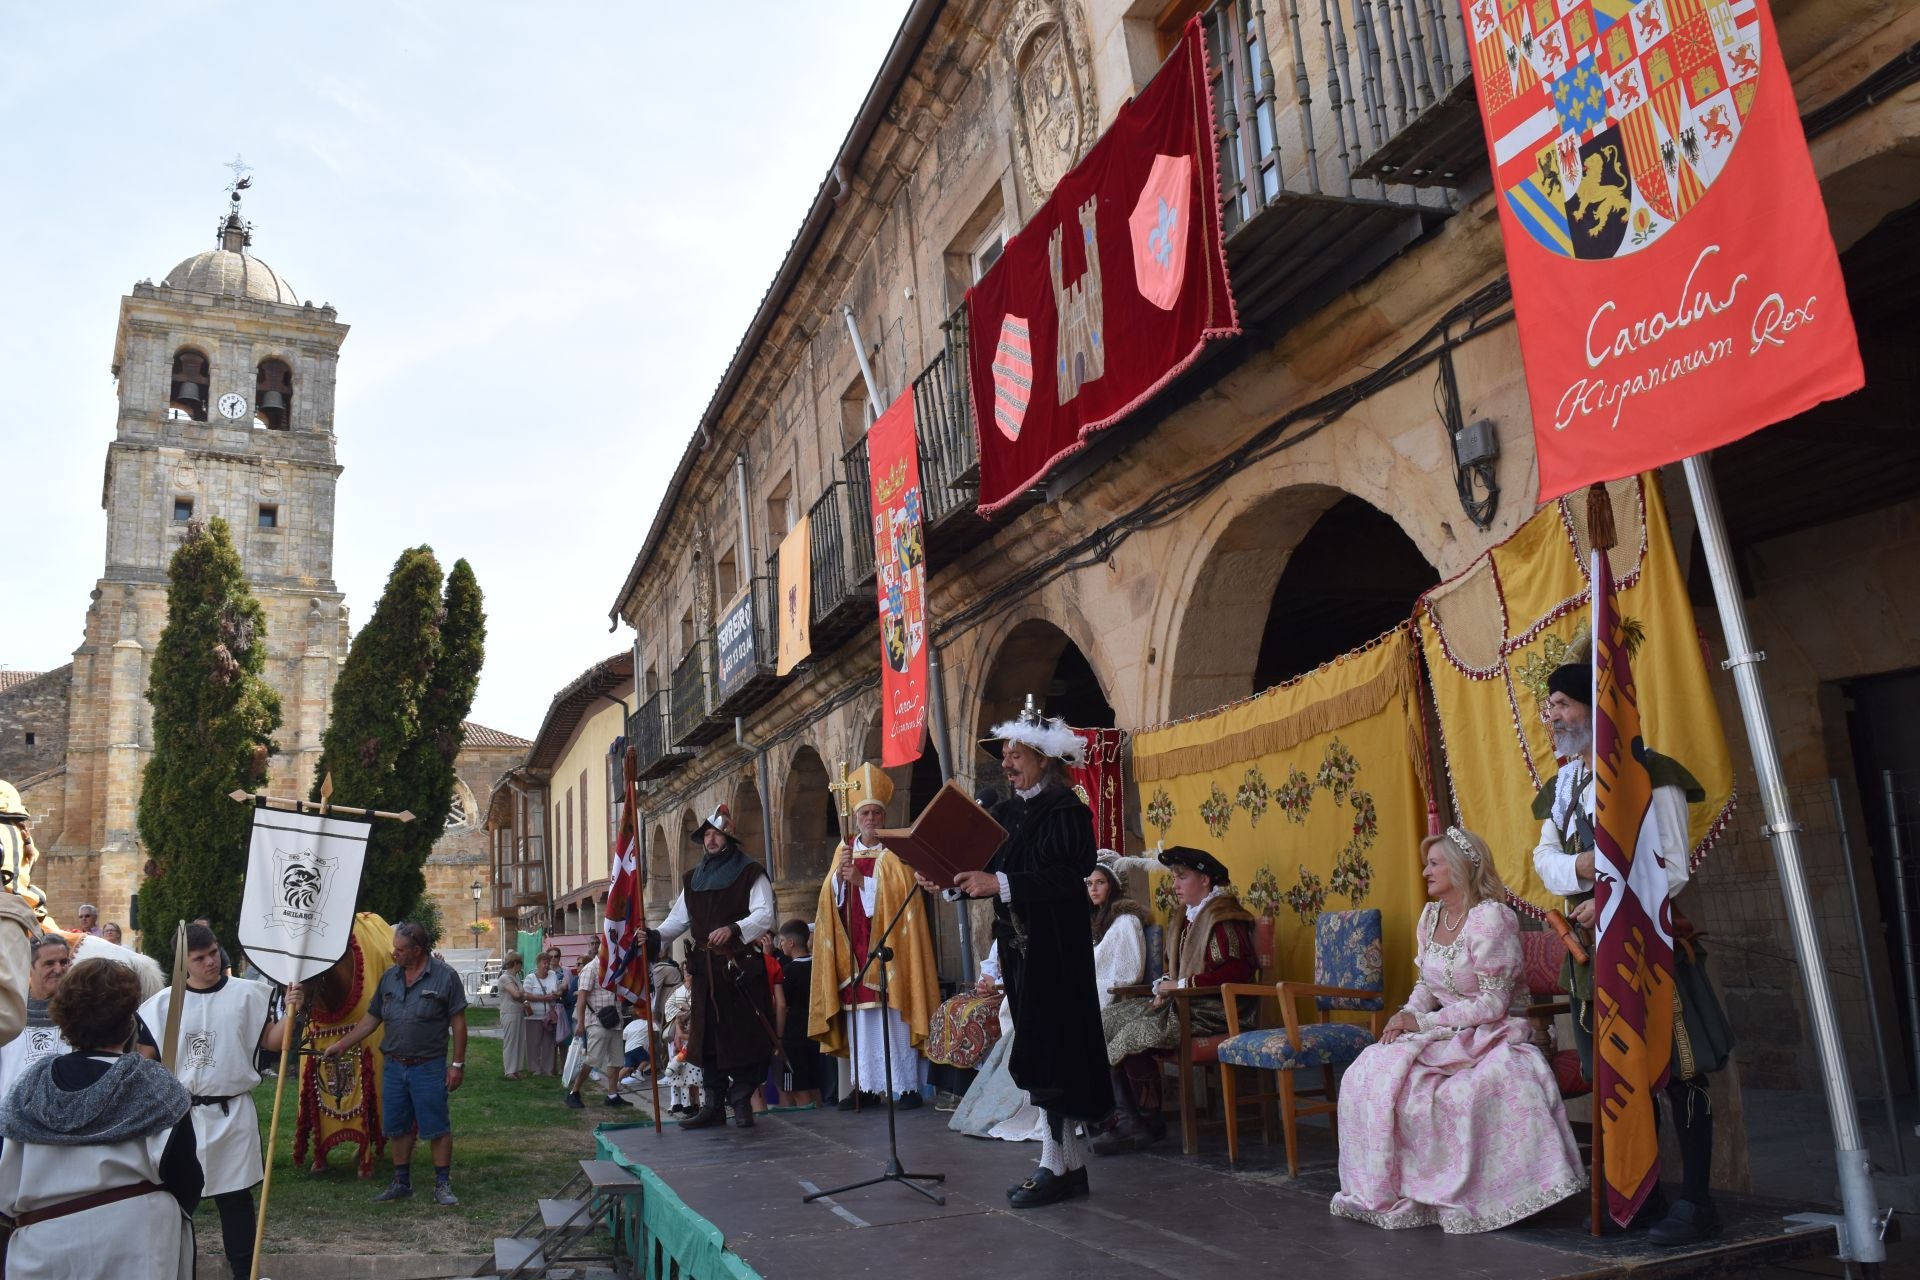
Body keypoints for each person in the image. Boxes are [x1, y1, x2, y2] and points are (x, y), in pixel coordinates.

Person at [1533, 654, 1729, 1244]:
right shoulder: (1563, 785)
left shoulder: (1651, 772)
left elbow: (1672, 863)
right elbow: (1544, 862)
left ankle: (1698, 1203)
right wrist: (1583, 866)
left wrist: (1613, 899)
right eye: (1551, 707)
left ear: (1596, 710)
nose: (1552, 717)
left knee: (1681, 1072)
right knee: (1622, 1075)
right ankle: (1644, 1197)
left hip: (1651, 948)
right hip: (1593, 955)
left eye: (1562, 705)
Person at [1330, 828, 1586, 1233]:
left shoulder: (1491, 919)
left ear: (1462, 866)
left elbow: (1494, 1003)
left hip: (1494, 1032)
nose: (1424, 871)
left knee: (1458, 1094)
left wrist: (1425, 1023)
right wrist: (1405, 1017)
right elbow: (1425, 987)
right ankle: (1402, 1188)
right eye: (1426, 863)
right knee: (1370, 1072)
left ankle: (1471, 1193)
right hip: (1443, 1032)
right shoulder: (1431, 917)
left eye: (1434, 863)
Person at [948, 696, 1111, 1208]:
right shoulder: (1005, 813)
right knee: (1040, 1053)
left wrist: (998, 882)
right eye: (1006, 754)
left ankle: (1054, 1165)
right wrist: (954, 882)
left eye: (1017, 753)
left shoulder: (1066, 812)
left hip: (1057, 955)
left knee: (1056, 1055)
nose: (1007, 762)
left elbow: (1067, 877)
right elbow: (985, 866)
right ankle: (1067, 1167)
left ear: (1043, 758)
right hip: (1021, 953)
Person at [0, 957, 203, 1278]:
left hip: (44, 1252)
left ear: (64, 1017)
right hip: (138, 1247)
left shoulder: (27, 1087)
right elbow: (187, 1180)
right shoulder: (152, 1085)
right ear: (129, 1021)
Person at [134, 922, 305, 1280]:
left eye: (213, 952)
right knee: (177, 1203)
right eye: (200, 958)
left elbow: (273, 1042)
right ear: (184, 964)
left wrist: (291, 1011)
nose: (211, 962)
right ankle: (173, 1271)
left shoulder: (249, 995)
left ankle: (244, 1273)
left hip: (231, 1113)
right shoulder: (162, 1006)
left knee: (235, 1200)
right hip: (181, 1116)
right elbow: (144, 1057)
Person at [1092, 844, 1255, 1156]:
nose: (1175, 885)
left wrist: (1179, 986)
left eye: (1182, 877)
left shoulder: (1223, 917)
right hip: (1184, 1002)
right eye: (1174, 878)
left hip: (1216, 1010)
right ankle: (1137, 1118)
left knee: (1133, 1032)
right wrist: (1163, 988)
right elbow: (1174, 968)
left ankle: (1142, 1121)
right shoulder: (1188, 917)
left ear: (1205, 880)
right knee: (1107, 1020)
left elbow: (1235, 972)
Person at [808, 762, 939, 1111]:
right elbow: (827, 902)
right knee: (861, 1024)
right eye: (865, 812)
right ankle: (865, 1086)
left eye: (875, 813)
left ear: (883, 816)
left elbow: (903, 898)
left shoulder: (895, 852)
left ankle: (906, 1086)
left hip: (888, 950)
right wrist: (839, 879)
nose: (870, 818)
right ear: (856, 816)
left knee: (892, 1019)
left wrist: (861, 882)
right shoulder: (844, 850)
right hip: (852, 953)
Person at [322, 921, 469, 1206]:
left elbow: (459, 1023)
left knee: (436, 1126)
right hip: (394, 1066)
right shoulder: (390, 978)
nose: (394, 953)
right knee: (397, 1126)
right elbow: (371, 1018)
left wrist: (457, 1065)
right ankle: (401, 1182)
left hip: (428, 1066)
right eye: (395, 948)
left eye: (400, 950)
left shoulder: (445, 977)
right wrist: (341, 1045)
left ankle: (442, 1184)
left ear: (418, 950)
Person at [654, 804, 776, 1130]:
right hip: (707, 973)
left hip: (739, 970)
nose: (710, 839)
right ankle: (713, 1106)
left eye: (716, 833)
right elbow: (677, 921)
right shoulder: (693, 879)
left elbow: (765, 915)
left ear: (729, 838)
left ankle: (741, 1100)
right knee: (708, 1041)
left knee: (747, 1036)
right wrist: (653, 936)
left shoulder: (751, 872)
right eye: (706, 834)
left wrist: (735, 929)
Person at [0, 934, 73, 1097]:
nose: (58, 969)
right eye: (49, 963)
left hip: (62, 1110)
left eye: (64, 962)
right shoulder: (9, 1010)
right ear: (29, 967)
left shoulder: (81, 1010)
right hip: (10, 1111)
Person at [567, 951, 632, 1110]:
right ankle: (574, 1092)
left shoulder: (614, 968)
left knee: (616, 1060)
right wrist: (581, 1023)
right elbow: (582, 997)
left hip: (614, 1020)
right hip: (597, 1021)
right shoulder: (590, 968)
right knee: (593, 1059)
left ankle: (612, 1094)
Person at [774, 919, 822, 1107]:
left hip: (794, 1035)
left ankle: (810, 1125)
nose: (781, 945)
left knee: (797, 1088)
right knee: (813, 1084)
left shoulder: (790, 971)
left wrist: (778, 1035)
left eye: (783, 940)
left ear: (791, 943)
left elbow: (782, 1005)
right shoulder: (817, 966)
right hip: (815, 1031)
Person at [658, 985, 703, 1116]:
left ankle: (698, 1105)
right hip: (684, 1045)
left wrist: (681, 1019)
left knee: (695, 1079)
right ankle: (686, 1104)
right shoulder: (678, 990)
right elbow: (669, 1006)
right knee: (684, 1077)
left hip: (691, 1045)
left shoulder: (698, 990)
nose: (687, 973)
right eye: (685, 970)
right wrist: (680, 1016)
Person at [523, 951, 563, 1077]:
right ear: (538, 964)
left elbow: (558, 989)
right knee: (533, 1043)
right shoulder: (530, 978)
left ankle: (548, 1069)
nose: (547, 966)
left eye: (548, 963)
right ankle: (534, 1068)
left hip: (549, 1016)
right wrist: (542, 998)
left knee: (549, 1043)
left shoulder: (553, 975)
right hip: (534, 1015)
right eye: (544, 963)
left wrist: (557, 993)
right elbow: (525, 995)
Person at [498, 954, 529, 1079]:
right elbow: (516, 994)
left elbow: (520, 994)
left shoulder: (514, 978)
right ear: (515, 963)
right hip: (509, 1013)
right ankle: (509, 1071)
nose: (522, 966)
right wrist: (524, 994)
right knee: (511, 1041)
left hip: (518, 1012)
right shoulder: (505, 978)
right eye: (520, 963)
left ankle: (516, 1069)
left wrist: (523, 994)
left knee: (519, 1040)